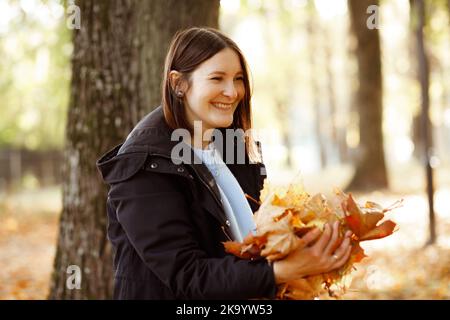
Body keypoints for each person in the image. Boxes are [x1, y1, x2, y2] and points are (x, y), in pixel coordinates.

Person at [96, 27, 352, 300]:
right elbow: (188, 276)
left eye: (238, 79)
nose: (232, 92)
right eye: (217, 78)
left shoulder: (231, 145)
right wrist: (281, 271)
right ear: (178, 84)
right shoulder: (147, 165)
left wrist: (305, 246)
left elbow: (246, 240)